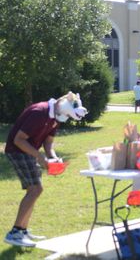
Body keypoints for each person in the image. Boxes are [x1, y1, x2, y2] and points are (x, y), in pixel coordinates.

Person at [4, 92, 87, 248]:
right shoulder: (39, 113)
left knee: (34, 190)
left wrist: (54, 158)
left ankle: (22, 230)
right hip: (17, 150)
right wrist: (40, 158)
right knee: (36, 189)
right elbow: (18, 140)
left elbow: (48, 143)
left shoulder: (56, 115)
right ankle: (14, 233)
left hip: (29, 151)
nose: (64, 119)